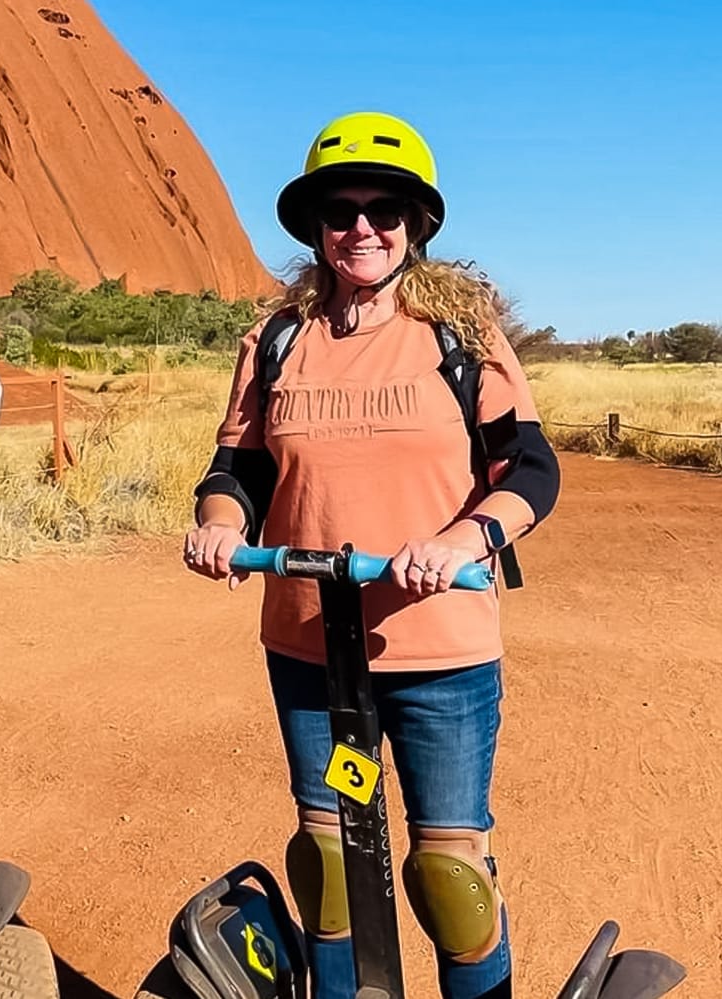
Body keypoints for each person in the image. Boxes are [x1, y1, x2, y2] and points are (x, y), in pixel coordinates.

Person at [182, 111, 560, 999]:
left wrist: (465, 538)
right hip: (310, 642)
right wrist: (219, 524)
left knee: (449, 877)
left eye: (383, 209)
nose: (362, 227)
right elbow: (237, 464)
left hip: (441, 648)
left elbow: (530, 468)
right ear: (314, 225)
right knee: (328, 861)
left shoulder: (461, 337)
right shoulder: (277, 341)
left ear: (415, 225)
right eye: (341, 209)